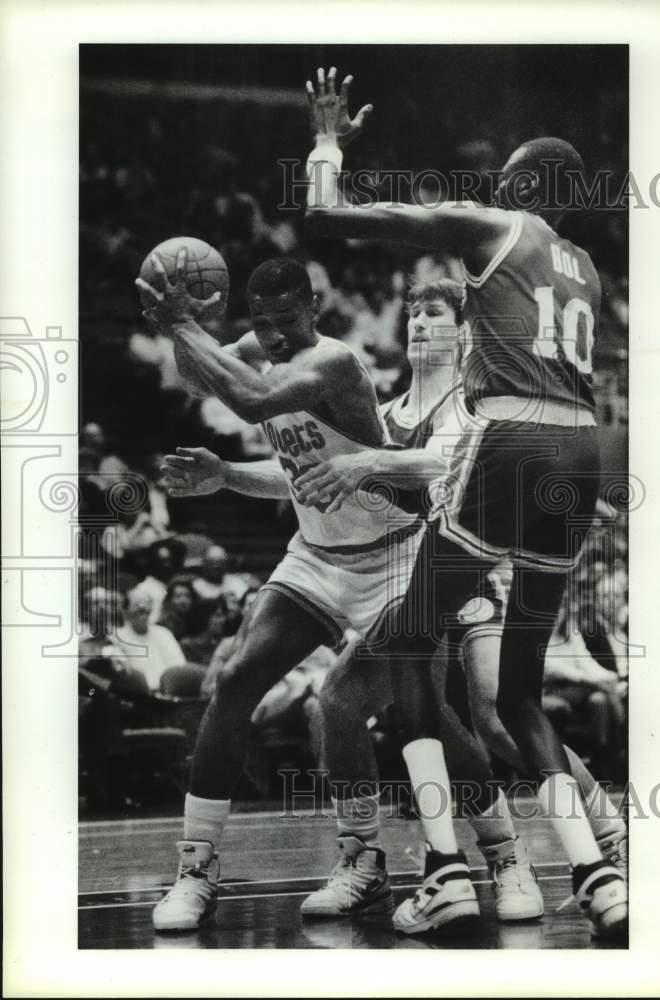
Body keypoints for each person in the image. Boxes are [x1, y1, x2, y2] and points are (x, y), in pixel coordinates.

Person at [301, 66, 627, 938]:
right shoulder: (587, 267)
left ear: (520, 184)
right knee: (520, 692)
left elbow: (332, 218)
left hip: (514, 438)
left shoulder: (496, 224)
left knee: (409, 640)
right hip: (581, 446)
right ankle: (599, 877)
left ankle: (445, 867)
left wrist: (329, 144)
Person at [137, 255, 485, 934]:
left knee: (425, 717)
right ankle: (204, 868)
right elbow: (196, 374)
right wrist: (183, 336)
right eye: (261, 324)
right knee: (234, 679)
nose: (273, 337)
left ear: (313, 311)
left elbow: (253, 401)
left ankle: (503, 856)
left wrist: (183, 322)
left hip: (396, 555)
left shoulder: (334, 363)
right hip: (317, 557)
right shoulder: (251, 348)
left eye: (286, 321)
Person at [115, 587, 186, 692]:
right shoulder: (117, 637)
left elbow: (180, 667)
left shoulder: (164, 633)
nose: (142, 606)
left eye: (146, 602)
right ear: (126, 610)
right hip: (139, 695)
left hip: (170, 692)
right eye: (136, 603)